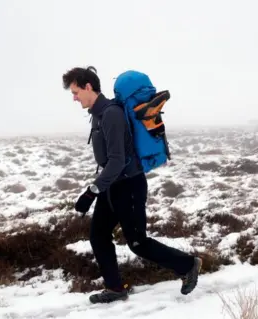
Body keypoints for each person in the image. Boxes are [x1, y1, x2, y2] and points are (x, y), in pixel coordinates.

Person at [61, 66, 202, 304]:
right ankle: (115, 288)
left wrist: (91, 191)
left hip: (129, 186)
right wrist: (100, 189)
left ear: (88, 87)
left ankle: (188, 265)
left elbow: (118, 161)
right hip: (113, 187)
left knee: (138, 243)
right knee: (98, 236)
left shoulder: (111, 114)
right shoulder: (98, 114)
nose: (74, 97)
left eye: (75, 91)